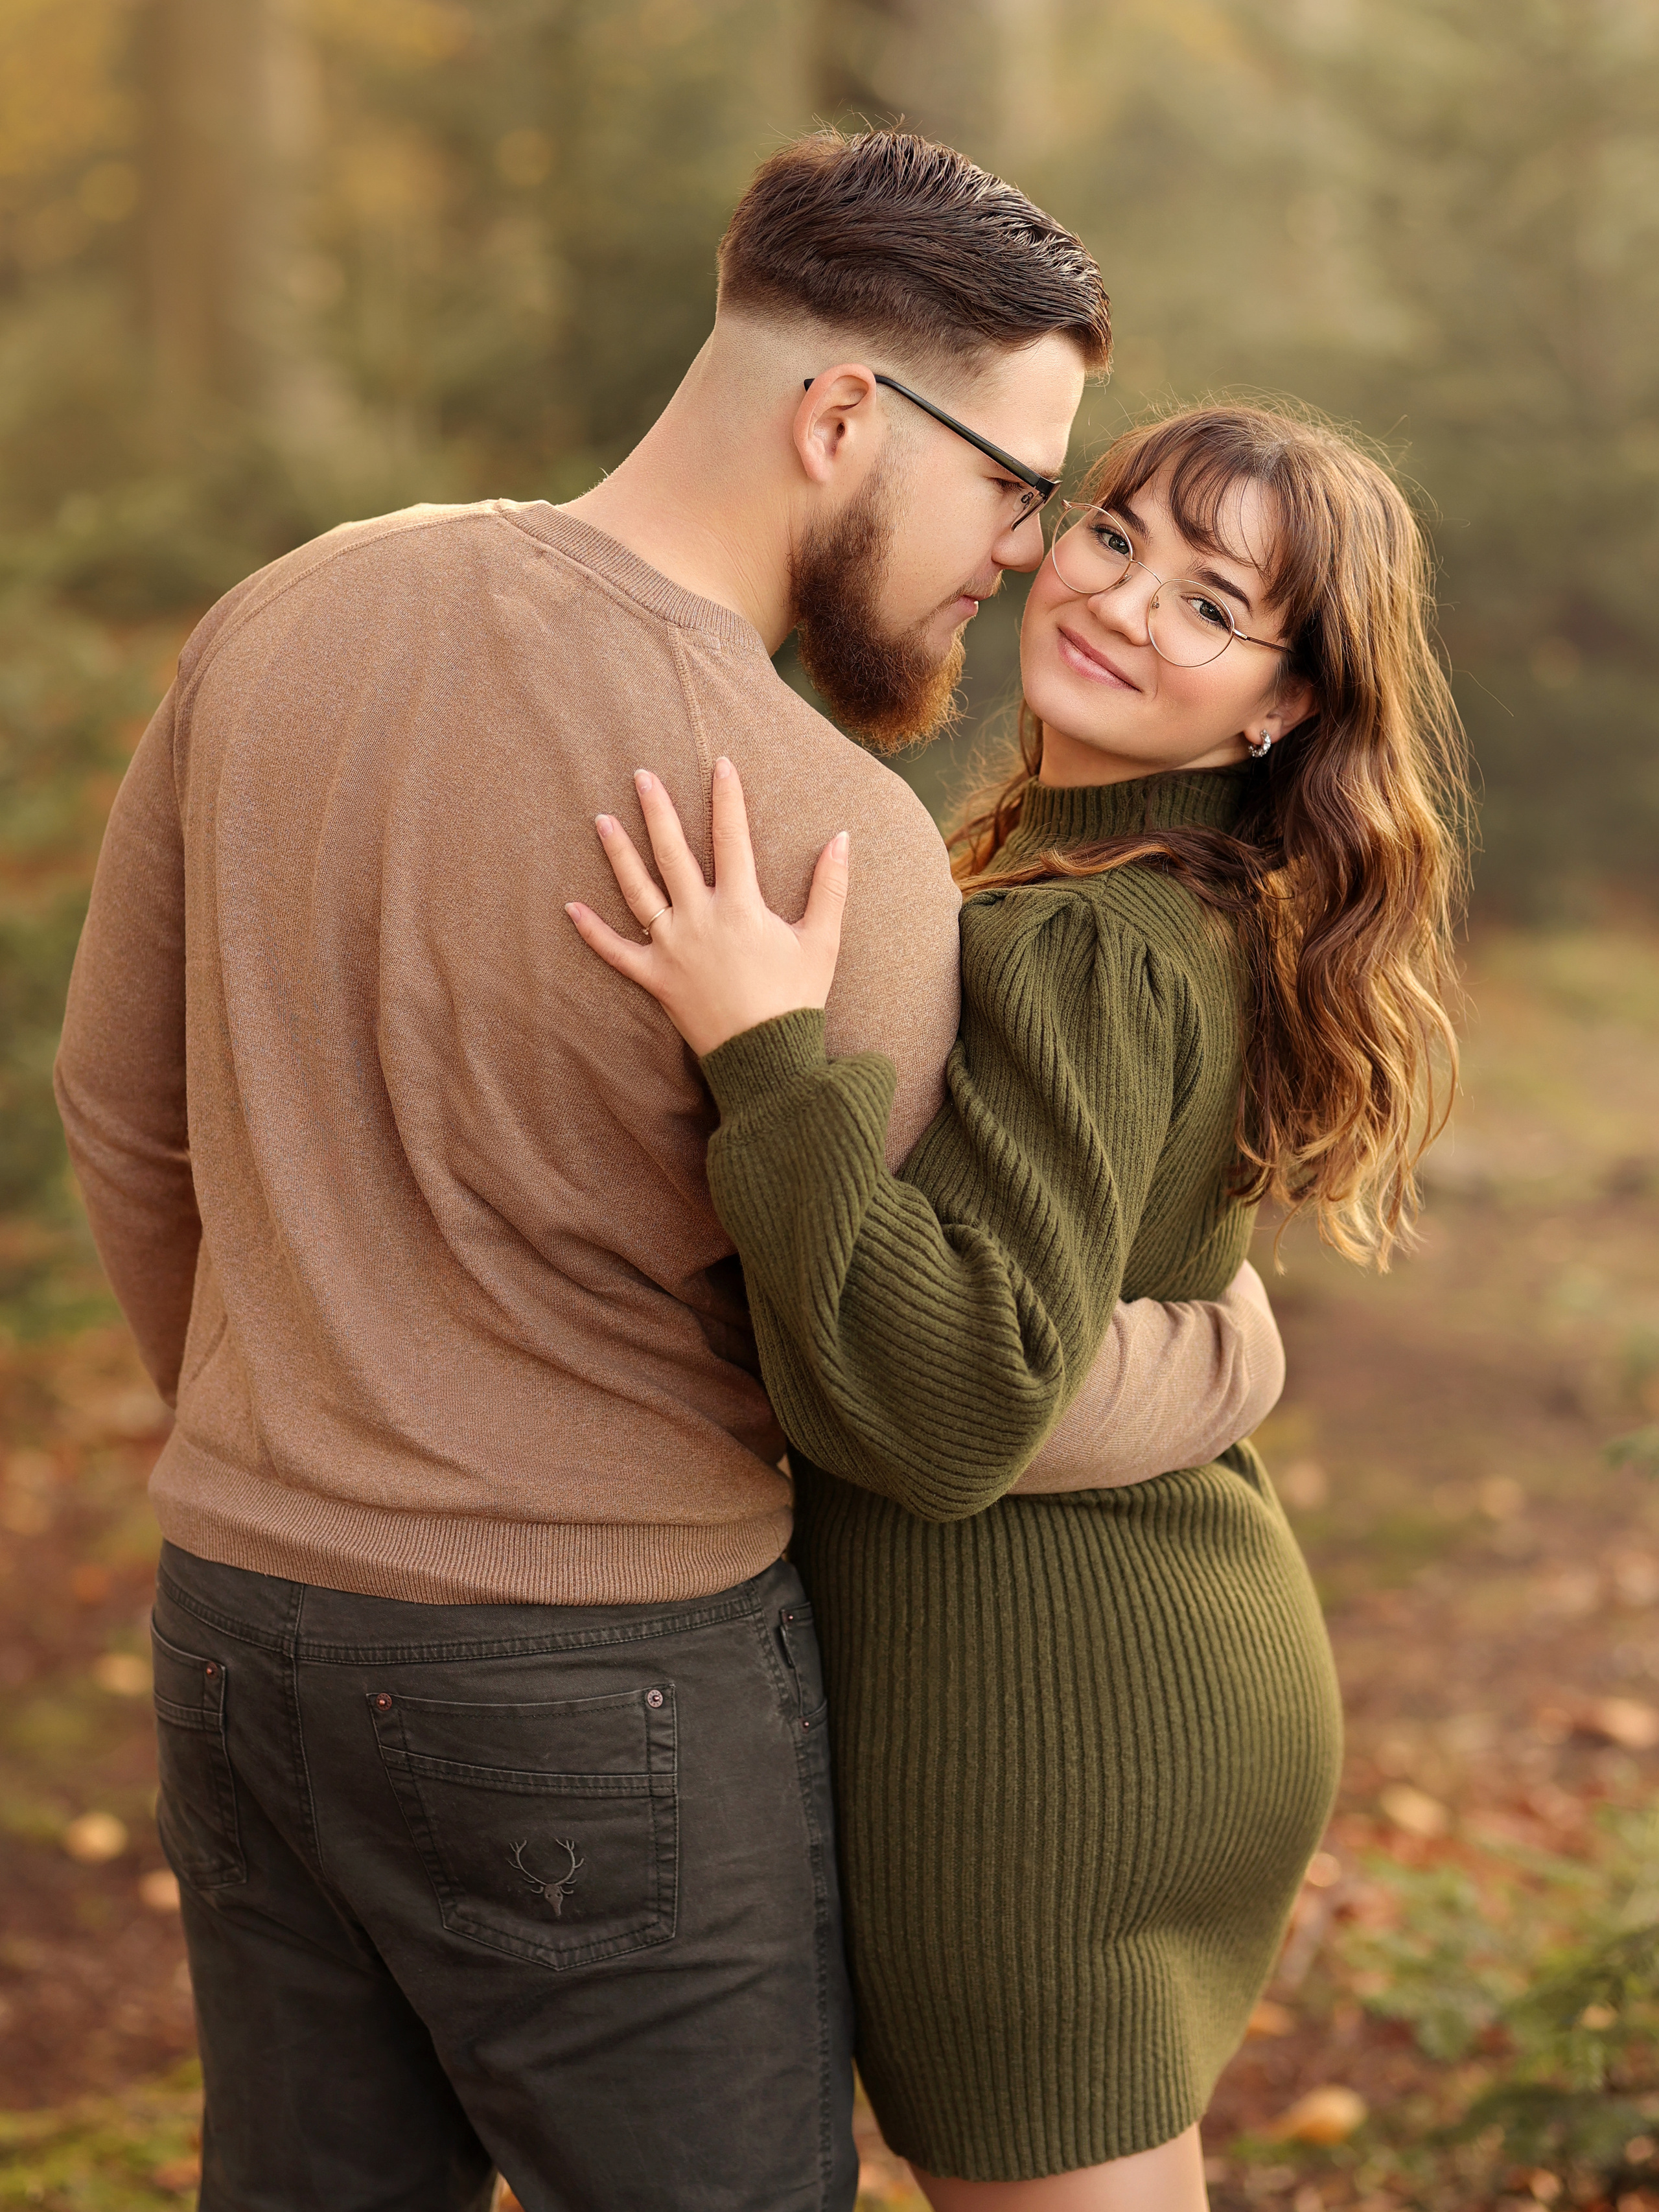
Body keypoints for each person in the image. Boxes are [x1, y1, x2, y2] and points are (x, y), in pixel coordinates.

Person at [53, 135, 1286, 2212]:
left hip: (243, 1629)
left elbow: (120, 1113)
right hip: (597, 1680)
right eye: (1012, 486)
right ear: (837, 420)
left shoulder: (288, 616)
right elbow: (903, 1379)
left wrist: (291, 1435)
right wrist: (1217, 1363)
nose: (1018, 556)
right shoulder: (819, 836)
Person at [571, 401, 1470, 2210]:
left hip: (1042, 1731)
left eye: (1217, 606)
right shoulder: (1174, 901)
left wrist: (764, 1054)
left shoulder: (1086, 940)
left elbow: (961, 1387)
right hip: (1139, 1654)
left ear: (1283, 702)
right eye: (1118, 536)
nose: (1131, 604)